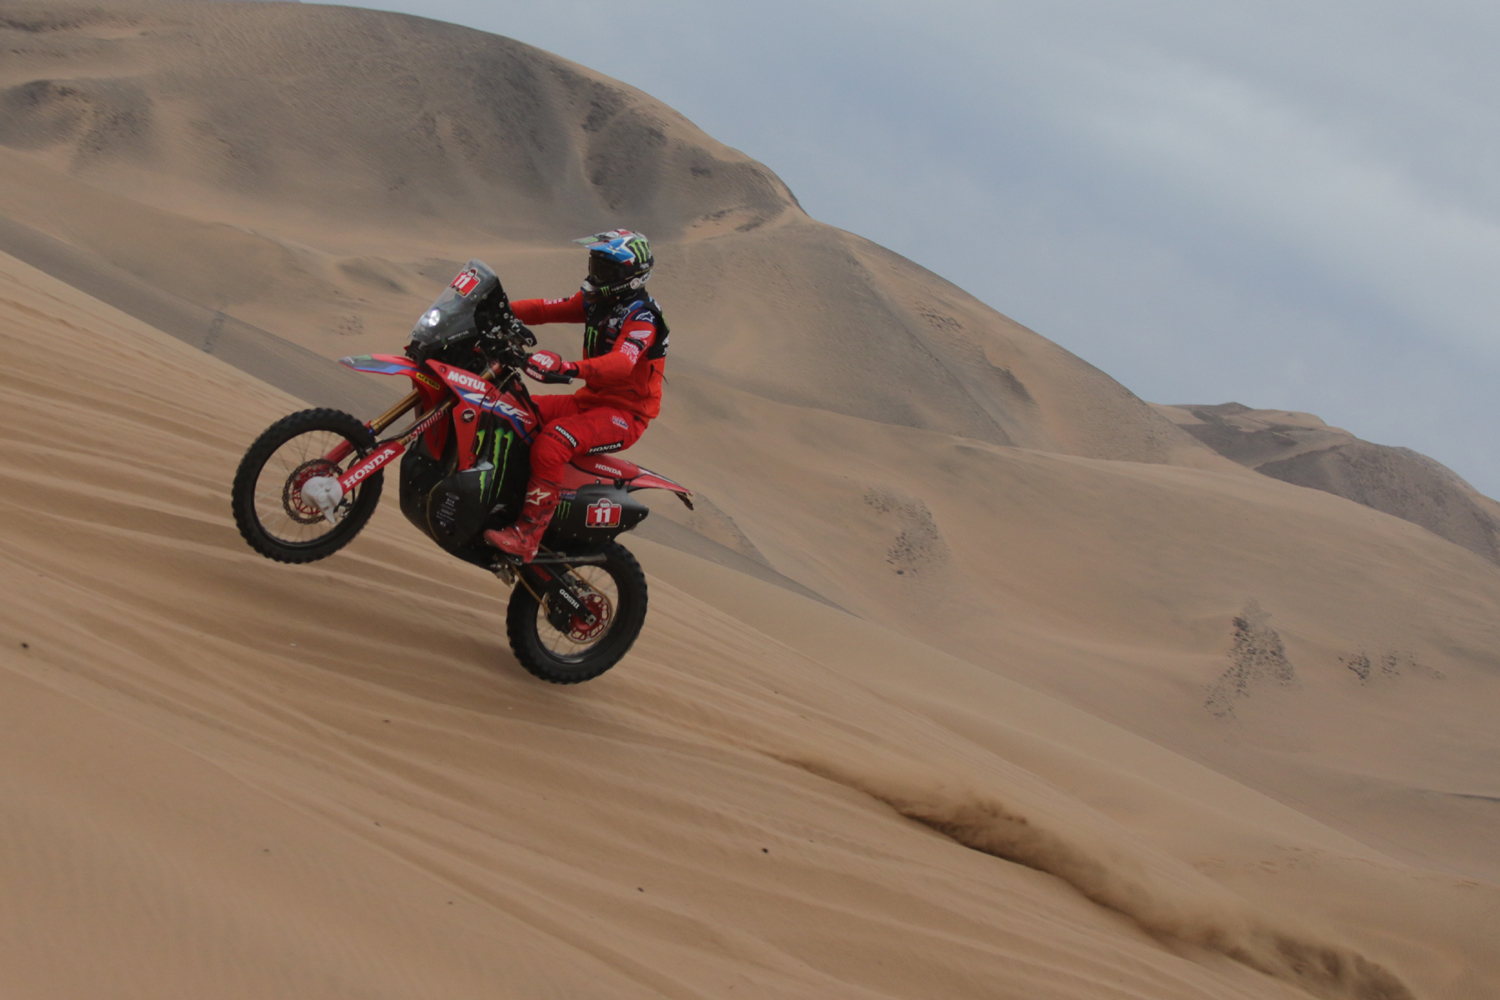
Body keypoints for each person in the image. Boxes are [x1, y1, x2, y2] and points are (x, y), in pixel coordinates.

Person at [484, 230, 669, 562]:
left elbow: (620, 364)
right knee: (508, 409)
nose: (596, 275)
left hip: (624, 416)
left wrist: (570, 368)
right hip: (589, 401)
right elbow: (544, 309)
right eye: (595, 264)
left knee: (553, 443)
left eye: (606, 270)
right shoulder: (599, 300)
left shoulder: (643, 317)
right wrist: (496, 313)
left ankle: (528, 534)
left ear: (628, 277)